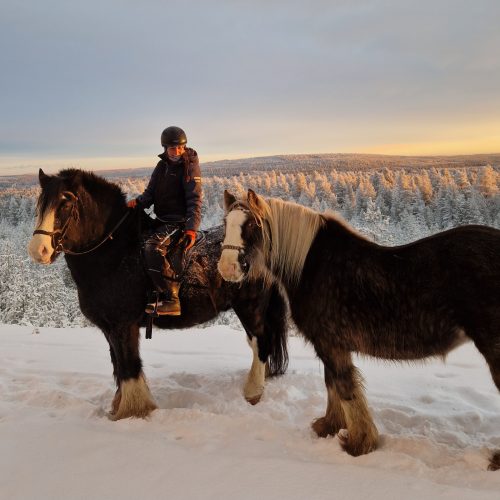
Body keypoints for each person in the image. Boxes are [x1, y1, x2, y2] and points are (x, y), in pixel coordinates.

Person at [127, 126, 202, 316]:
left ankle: (171, 299)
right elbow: (150, 193)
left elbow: (194, 200)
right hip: (160, 219)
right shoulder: (161, 166)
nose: (176, 152)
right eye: (171, 148)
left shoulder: (189, 166)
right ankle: (148, 291)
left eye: (179, 148)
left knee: (153, 247)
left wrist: (191, 229)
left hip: (178, 222)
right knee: (134, 239)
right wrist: (137, 203)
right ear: (165, 149)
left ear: (184, 147)